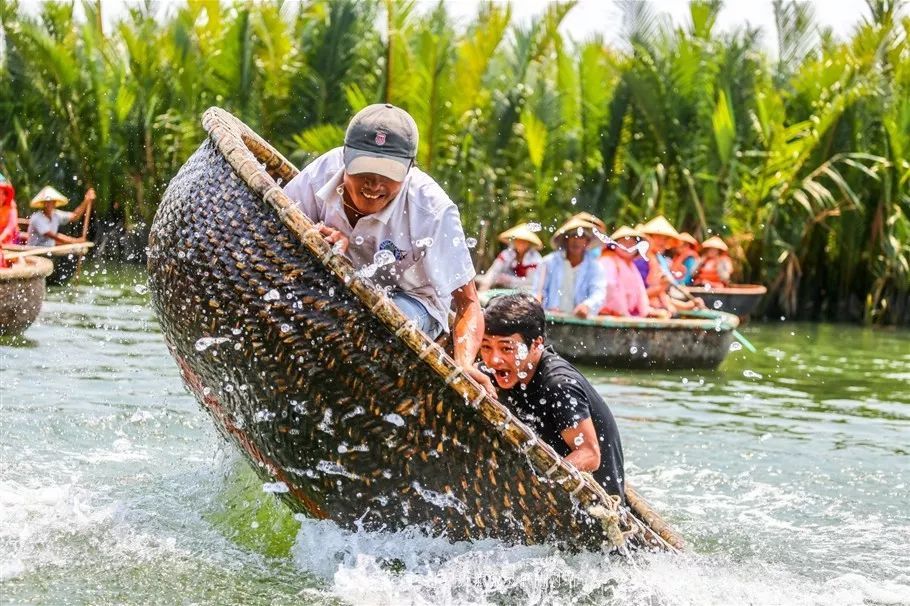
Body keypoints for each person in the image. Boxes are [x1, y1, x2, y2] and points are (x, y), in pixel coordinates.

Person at [282, 103, 493, 394]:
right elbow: (276, 226)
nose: (374, 184)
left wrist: (464, 364)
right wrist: (313, 234)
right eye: (364, 170)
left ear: (409, 169)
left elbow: (468, 302)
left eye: (388, 174)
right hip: (341, 285)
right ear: (345, 158)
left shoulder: (433, 210)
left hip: (414, 302)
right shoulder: (322, 172)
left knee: (373, 328)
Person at [479, 293, 625, 501]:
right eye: (486, 347)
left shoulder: (559, 386)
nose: (494, 359)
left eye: (506, 348)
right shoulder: (493, 374)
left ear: (536, 344)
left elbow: (589, 455)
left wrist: (536, 486)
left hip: (592, 503)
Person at [533, 217, 606, 319]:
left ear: (587, 241)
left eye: (581, 237)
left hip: (580, 321)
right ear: (566, 239)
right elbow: (538, 291)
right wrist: (539, 303)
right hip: (550, 318)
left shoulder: (595, 267)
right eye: (572, 236)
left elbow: (598, 293)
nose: (576, 240)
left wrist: (587, 306)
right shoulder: (549, 262)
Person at [598, 226, 661, 318]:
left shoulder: (631, 265)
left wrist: (646, 311)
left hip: (626, 315)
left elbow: (640, 291)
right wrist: (624, 314)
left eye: (632, 243)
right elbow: (609, 288)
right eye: (623, 242)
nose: (627, 246)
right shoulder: (607, 260)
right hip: (609, 314)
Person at [477, 223, 543, 292]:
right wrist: (485, 286)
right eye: (518, 240)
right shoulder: (507, 254)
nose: (521, 243)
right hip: (506, 289)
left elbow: (532, 281)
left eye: (524, 241)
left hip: (528, 291)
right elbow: (494, 271)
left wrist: (510, 279)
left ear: (529, 243)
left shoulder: (535, 258)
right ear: (514, 241)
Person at [26, 186, 93, 247]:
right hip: (35, 250)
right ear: (43, 203)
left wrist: (86, 201)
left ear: (55, 203)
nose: (48, 204)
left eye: (51, 202)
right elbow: (53, 236)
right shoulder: (36, 218)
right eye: (46, 202)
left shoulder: (56, 214)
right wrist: (75, 241)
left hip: (49, 251)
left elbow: (75, 216)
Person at [0, 173, 19, 247]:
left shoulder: (11, 206)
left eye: (3, 193)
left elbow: (11, 227)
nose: (1, 197)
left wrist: (0, 239)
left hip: (10, 241)